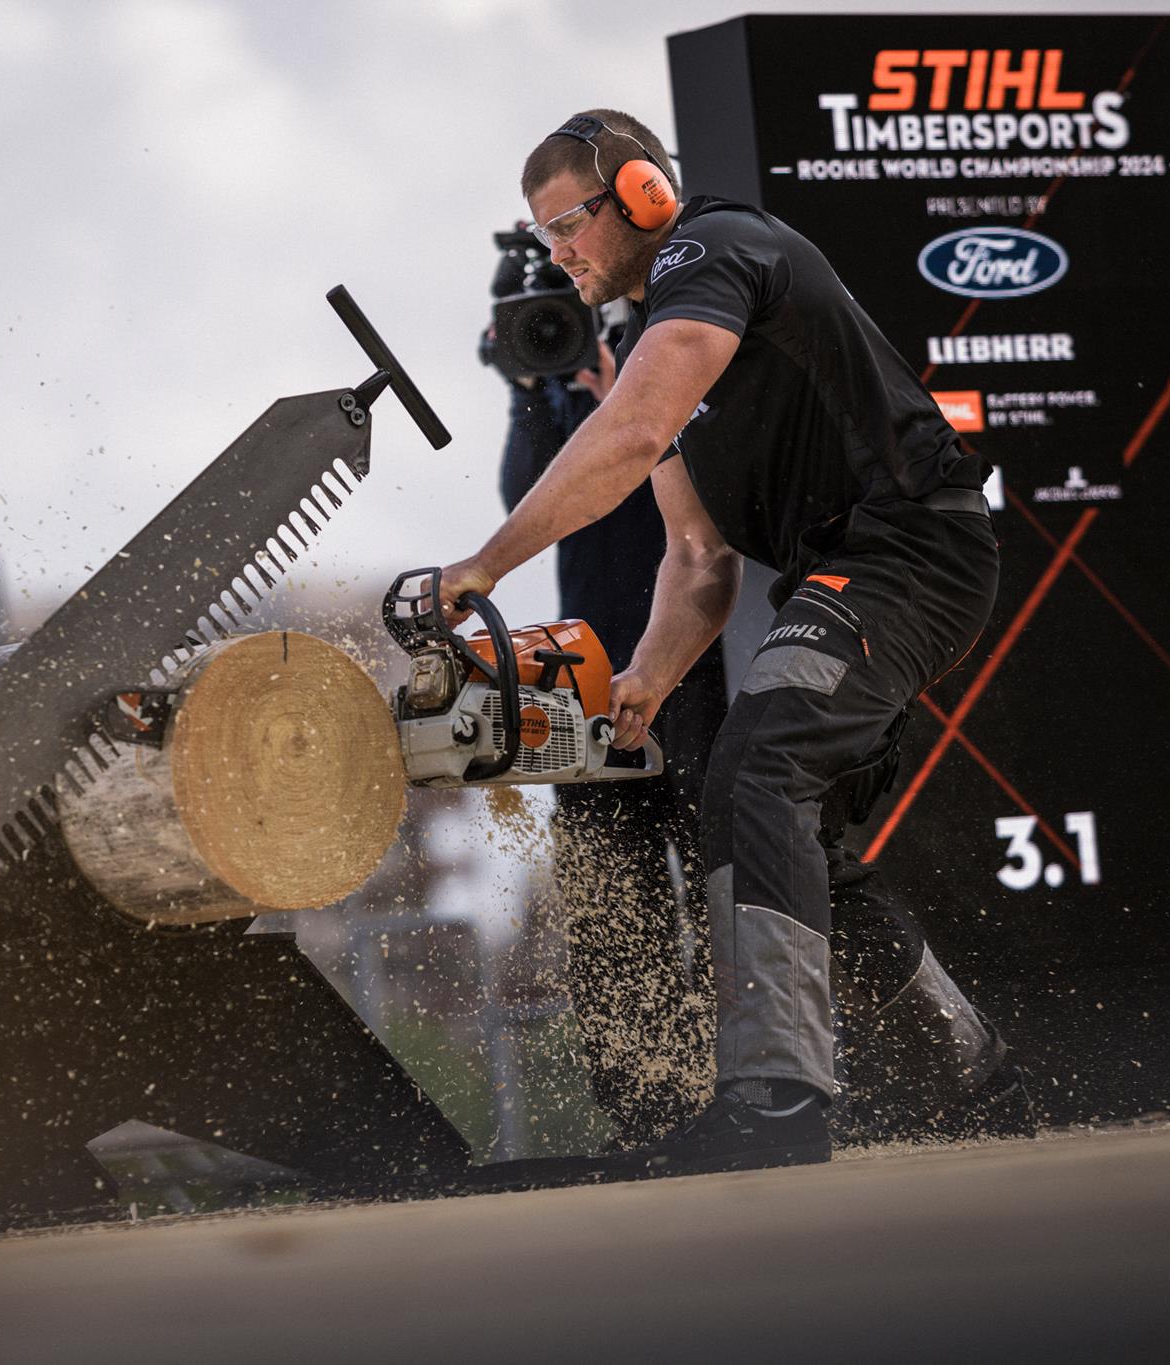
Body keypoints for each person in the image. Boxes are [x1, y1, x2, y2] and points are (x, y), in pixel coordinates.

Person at [436, 109, 1026, 1172]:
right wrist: (646, 684)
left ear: (641, 196)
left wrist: (483, 564)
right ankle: (976, 1079)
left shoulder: (717, 250)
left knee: (755, 771)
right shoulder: (636, 337)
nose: (557, 252)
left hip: (910, 551)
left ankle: (775, 1104)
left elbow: (628, 437)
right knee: (787, 833)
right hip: (846, 569)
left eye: (568, 224)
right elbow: (696, 560)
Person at [496, 299, 727, 1146]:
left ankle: (744, 1084)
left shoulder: (680, 337)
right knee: (607, 902)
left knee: (722, 883)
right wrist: (537, 390)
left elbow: (693, 513)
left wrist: (626, 401)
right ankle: (644, 1113)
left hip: (701, 664)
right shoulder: (558, 382)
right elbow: (528, 496)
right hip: (585, 677)